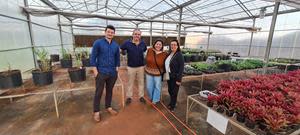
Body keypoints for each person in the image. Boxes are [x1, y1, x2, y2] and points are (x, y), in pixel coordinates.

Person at [90, 25, 120, 122]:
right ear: (105, 32)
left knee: (109, 90)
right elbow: (93, 57)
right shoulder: (98, 43)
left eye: (112, 32)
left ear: (114, 34)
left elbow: (117, 58)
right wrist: (95, 71)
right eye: (108, 32)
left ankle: (108, 107)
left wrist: (117, 69)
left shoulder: (115, 45)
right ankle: (96, 112)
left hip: (112, 73)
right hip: (101, 72)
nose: (110, 33)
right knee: (98, 92)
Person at [121, 29, 147, 105]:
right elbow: (122, 49)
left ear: (140, 36)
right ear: (132, 35)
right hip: (131, 67)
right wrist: (123, 52)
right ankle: (129, 97)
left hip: (141, 67)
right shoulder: (127, 43)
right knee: (130, 82)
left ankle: (141, 96)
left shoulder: (143, 43)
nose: (137, 35)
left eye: (138, 34)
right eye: (135, 34)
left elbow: (144, 50)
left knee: (141, 82)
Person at [145, 39, 168, 104]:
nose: (158, 45)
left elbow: (167, 63)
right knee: (149, 87)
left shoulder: (165, 54)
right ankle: (151, 97)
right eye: (157, 44)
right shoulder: (149, 50)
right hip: (149, 72)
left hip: (158, 73)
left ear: (162, 46)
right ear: (154, 44)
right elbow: (146, 58)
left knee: (157, 86)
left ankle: (155, 99)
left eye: (160, 44)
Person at [164, 39, 184, 112]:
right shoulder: (170, 53)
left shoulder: (179, 55)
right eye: (171, 45)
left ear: (177, 46)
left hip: (175, 77)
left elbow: (181, 68)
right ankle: (172, 102)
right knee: (170, 90)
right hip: (169, 75)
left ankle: (173, 106)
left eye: (174, 45)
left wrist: (179, 79)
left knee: (174, 92)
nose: (173, 46)